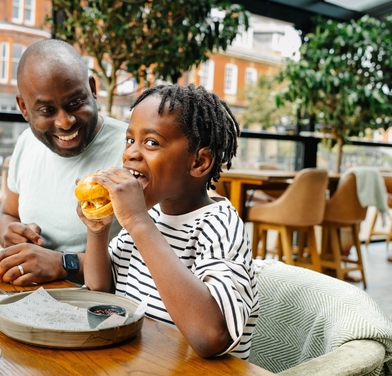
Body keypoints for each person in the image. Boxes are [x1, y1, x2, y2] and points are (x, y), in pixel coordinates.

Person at [77, 84, 258, 359]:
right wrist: (98, 231)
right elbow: (102, 289)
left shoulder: (218, 226)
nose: (131, 154)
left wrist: (138, 223)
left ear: (199, 162)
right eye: (129, 140)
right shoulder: (150, 217)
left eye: (151, 142)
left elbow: (211, 337)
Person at [0, 39, 127, 285]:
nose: (65, 122)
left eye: (75, 103)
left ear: (92, 89)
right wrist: (9, 235)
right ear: (23, 107)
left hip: (99, 309)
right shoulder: (27, 142)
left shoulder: (132, 150)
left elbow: (149, 261)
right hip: (24, 298)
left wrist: (63, 263)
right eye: (46, 111)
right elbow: (8, 214)